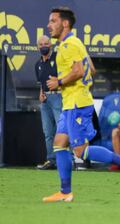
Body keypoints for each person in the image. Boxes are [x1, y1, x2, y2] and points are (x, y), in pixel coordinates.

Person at [43, 7, 120, 203]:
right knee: (59, 145)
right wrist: (73, 82)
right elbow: (91, 69)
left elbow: (79, 71)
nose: (49, 25)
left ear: (65, 23)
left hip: (77, 104)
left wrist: (59, 82)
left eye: (53, 21)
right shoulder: (73, 43)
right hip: (71, 102)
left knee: (80, 151)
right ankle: (65, 192)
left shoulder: (69, 44)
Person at [35, 35, 62, 170]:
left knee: (61, 130)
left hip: (58, 97)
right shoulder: (38, 64)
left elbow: (65, 77)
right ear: (38, 47)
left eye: (46, 43)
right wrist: (40, 93)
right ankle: (51, 160)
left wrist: (59, 82)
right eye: (41, 44)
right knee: (48, 132)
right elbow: (40, 82)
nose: (44, 46)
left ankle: (65, 160)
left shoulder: (58, 58)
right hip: (45, 100)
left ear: (51, 45)